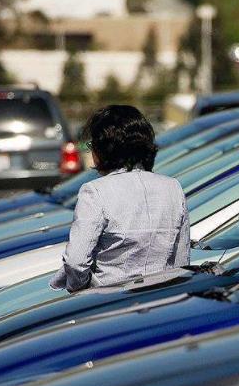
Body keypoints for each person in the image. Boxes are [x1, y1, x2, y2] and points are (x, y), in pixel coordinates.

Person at [50, 105, 190, 292]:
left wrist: (83, 290)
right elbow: (181, 261)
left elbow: (76, 262)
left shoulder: (95, 192)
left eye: (93, 146)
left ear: (103, 148)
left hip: (110, 302)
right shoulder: (173, 187)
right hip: (162, 300)